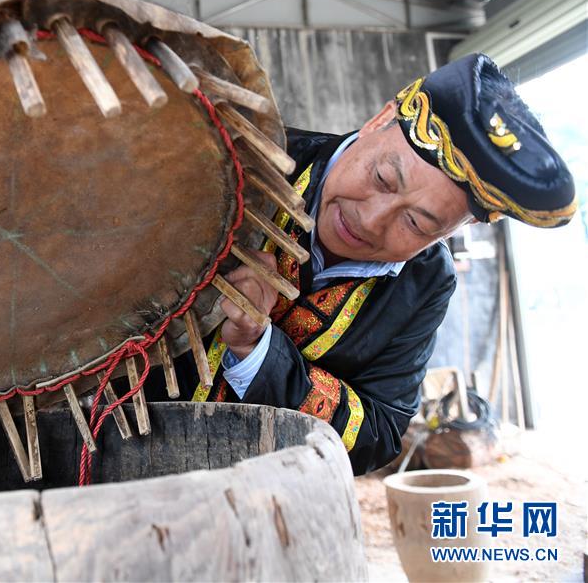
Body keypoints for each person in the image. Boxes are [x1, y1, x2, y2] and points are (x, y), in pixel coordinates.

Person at [144, 53, 576, 475]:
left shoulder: (426, 281)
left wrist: (256, 347)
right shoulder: (250, 159)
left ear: (453, 231)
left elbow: (380, 432)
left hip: (262, 498)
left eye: (415, 223)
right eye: (383, 178)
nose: (370, 220)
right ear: (378, 120)